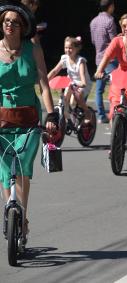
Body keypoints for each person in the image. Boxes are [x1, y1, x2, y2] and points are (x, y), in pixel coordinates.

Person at [0, 2, 57, 239]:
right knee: (5, 169)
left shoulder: (33, 50)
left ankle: (21, 216)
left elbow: (44, 85)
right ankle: (10, 208)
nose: (10, 25)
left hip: (29, 117)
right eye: (6, 21)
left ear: (23, 27)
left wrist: (51, 114)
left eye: (15, 22)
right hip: (1, 117)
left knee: (22, 164)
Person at [47, 36, 93, 125]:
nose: (68, 50)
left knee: (75, 99)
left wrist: (81, 83)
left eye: (70, 48)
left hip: (82, 84)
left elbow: (82, 77)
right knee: (64, 101)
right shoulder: (65, 58)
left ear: (77, 48)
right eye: (66, 48)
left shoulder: (80, 61)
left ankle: (87, 112)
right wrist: (45, 80)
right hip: (70, 83)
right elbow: (55, 70)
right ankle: (68, 118)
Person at [90, 0, 117, 124]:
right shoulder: (110, 21)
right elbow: (114, 42)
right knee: (115, 87)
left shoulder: (93, 21)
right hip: (110, 59)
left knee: (99, 89)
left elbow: (93, 41)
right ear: (110, 7)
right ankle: (115, 114)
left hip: (99, 58)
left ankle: (101, 115)